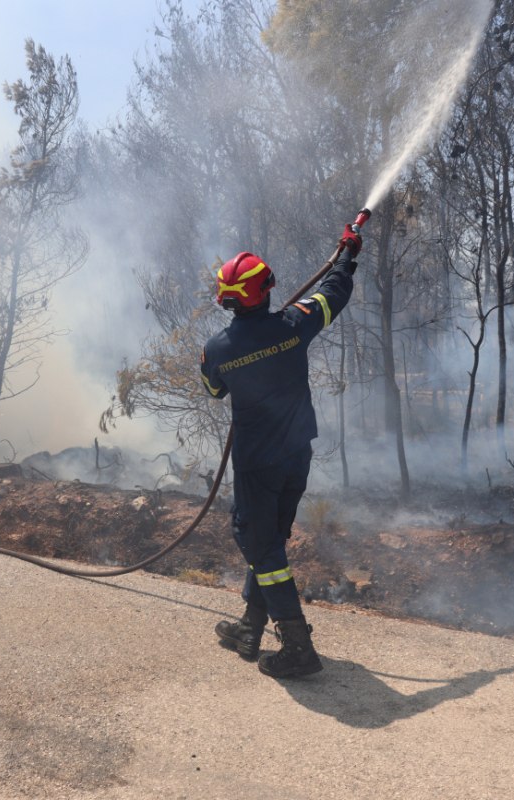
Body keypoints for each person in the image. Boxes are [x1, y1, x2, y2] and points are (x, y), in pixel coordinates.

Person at [200, 221, 362, 678]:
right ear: (267, 292)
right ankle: (250, 628)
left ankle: (297, 645)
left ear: (226, 300)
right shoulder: (295, 325)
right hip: (296, 456)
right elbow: (333, 295)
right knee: (267, 539)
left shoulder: (216, 350)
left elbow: (215, 392)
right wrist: (346, 254)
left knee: (260, 545)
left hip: (256, 464)